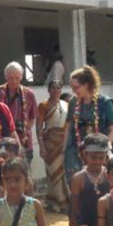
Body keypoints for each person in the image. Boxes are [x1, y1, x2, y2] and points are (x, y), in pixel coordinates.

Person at [62, 65, 113, 186]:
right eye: (72, 88)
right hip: (75, 152)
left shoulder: (104, 102)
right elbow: (68, 127)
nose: (74, 91)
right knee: (77, 186)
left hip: (98, 151)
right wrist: (64, 150)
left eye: (76, 87)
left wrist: (107, 145)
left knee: (99, 185)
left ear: (87, 84)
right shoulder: (73, 102)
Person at [0, 62, 38, 164]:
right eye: (11, 78)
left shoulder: (29, 94)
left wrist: (24, 127)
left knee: (23, 174)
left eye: (17, 78)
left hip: (24, 141)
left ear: (21, 77)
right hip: (1, 141)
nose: (14, 81)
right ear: (6, 77)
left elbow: (32, 117)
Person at [35, 81, 69, 211]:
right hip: (49, 142)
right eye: (53, 88)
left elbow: (68, 125)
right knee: (53, 172)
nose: (55, 90)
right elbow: (39, 127)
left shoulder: (66, 105)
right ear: (48, 90)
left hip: (63, 141)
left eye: (58, 88)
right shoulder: (43, 105)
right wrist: (41, 146)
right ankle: (61, 203)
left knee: (62, 173)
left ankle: (52, 202)